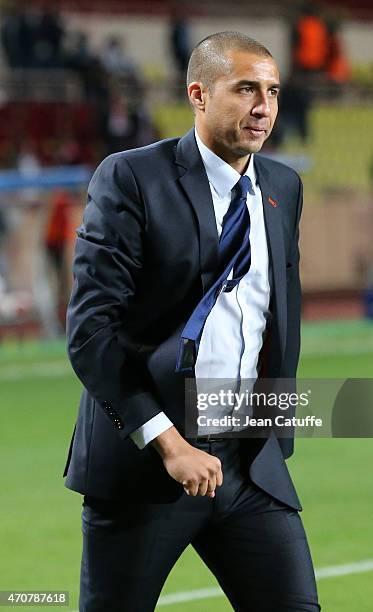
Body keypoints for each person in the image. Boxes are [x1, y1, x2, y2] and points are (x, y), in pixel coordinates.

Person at [64, 31, 320, 611]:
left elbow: (278, 321)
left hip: (249, 466)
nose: (265, 108)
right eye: (246, 89)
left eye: (274, 92)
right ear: (199, 94)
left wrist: (274, 436)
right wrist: (168, 443)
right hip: (150, 468)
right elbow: (90, 333)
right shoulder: (132, 177)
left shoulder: (283, 186)